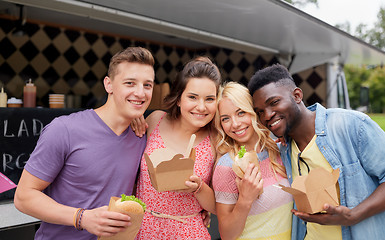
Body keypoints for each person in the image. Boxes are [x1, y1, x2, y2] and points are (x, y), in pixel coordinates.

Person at [14, 47, 155, 240]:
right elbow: (23, 197)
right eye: (130, 83)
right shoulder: (64, 129)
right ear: (109, 84)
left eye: (148, 85)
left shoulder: (140, 135)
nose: (140, 93)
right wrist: (82, 218)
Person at [248, 63, 385, 240]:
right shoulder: (280, 148)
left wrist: (354, 215)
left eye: (274, 102)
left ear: (297, 95)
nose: (267, 116)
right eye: (260, 112)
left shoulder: (351, 125)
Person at [134, 56, 221, 239]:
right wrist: (133, 118)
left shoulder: (216, 140)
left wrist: (199, 189)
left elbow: (220, 206)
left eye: (209, 99)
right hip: (143, 229)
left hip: (188, 231)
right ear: (179, 98)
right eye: (192, 97)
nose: (201, 107)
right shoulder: (155, 120)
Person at [212, 81, 293, 240]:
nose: (235, 124)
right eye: (225, 118)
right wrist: (245, 200)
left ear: (254, 111)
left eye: (241, 112)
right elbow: (227, 235)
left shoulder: (280, 148)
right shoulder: (227, 166)